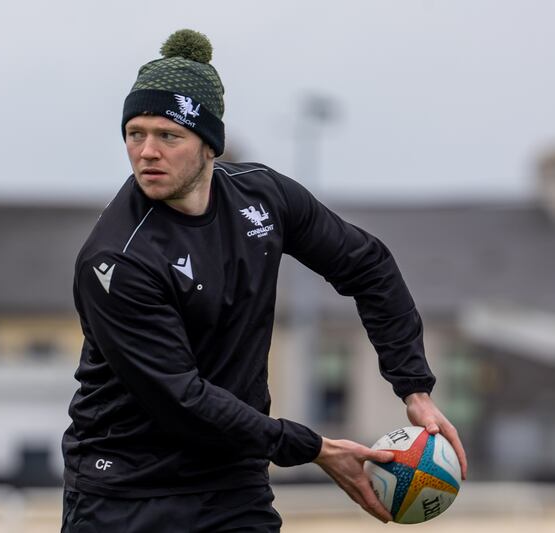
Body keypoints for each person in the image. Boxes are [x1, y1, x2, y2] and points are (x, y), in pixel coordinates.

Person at [61, 29, 468, 532]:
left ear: (210, 144)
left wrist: (414, 388)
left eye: (168, 135)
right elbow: (183, 400)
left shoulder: (263, 198)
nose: (146, 151)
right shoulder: (116, 260)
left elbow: (369, 266)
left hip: (232, 484)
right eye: (135, 133)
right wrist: (314, 447)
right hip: (127, 494)